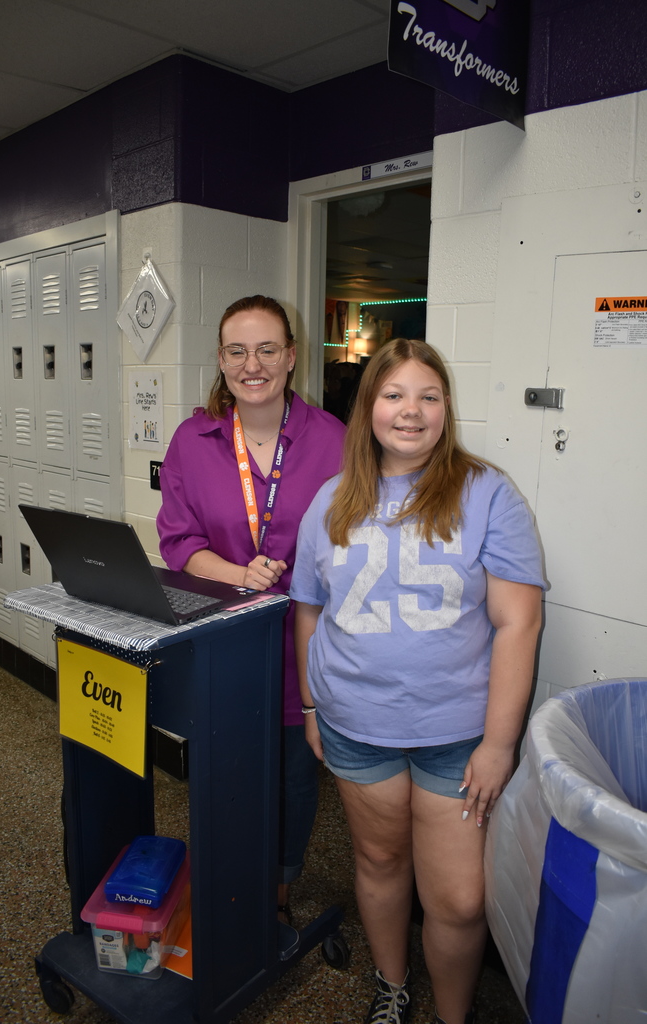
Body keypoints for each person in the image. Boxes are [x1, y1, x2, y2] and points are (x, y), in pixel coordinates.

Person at [291, 338, 545, 1024]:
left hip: (455, 735)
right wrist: (312, 705)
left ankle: (452, 1016)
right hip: (354, 722)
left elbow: (517, 624)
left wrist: (499, 744)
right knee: (378, 862)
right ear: (368, 406)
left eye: (428, 396)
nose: (411, 411)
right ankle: (392, 985)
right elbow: (309, 610)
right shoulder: (330, 500)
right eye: (394, 394)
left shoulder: (488, 494)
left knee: (459, 897)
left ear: (446, 408)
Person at [156, 295, 346, 924]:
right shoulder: (194, 439)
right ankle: (229, 875)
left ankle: (280, 893)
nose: (252, 364)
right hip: (224, 644)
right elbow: (179, 541)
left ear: (292, 357)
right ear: (220, 359)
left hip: (305, 645)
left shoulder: (333, 441)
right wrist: (240, 575)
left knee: (294, 778)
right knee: (225, 769)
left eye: (267, 349)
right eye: (237, 351)